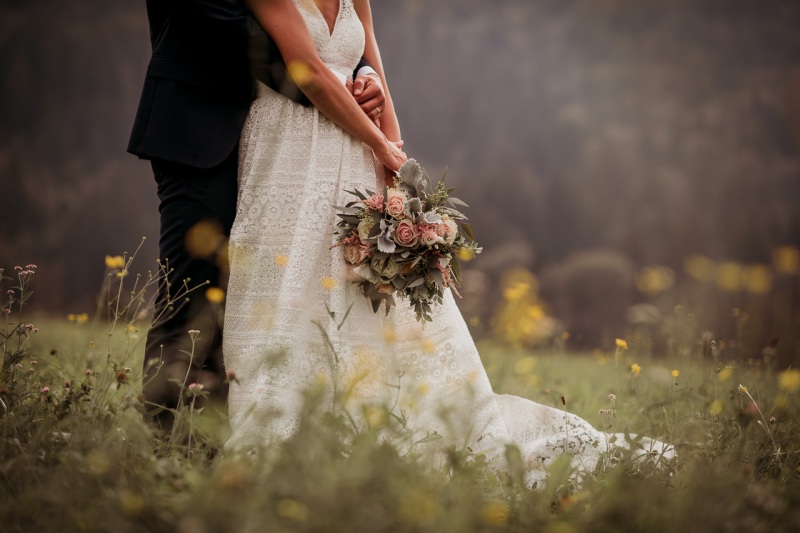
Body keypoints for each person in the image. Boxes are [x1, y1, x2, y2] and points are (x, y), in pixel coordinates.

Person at [225, 0, 674, 487]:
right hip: (291, 150)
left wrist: (394, 157)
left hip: (356, 149)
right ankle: (291, 422)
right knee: (294, 282)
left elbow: (373, 66)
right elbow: (307, 71)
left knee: (368, 292)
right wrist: (375, 140)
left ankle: (374, 417)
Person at [127, 0, 387, 431]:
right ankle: (168, 447)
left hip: (277, 144)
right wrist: (330, 82)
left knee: (256, 295)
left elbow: (318, 30)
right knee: (192, 291)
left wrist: (362, 72)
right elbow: (238, 31)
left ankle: (225, 434)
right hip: (200, 133)